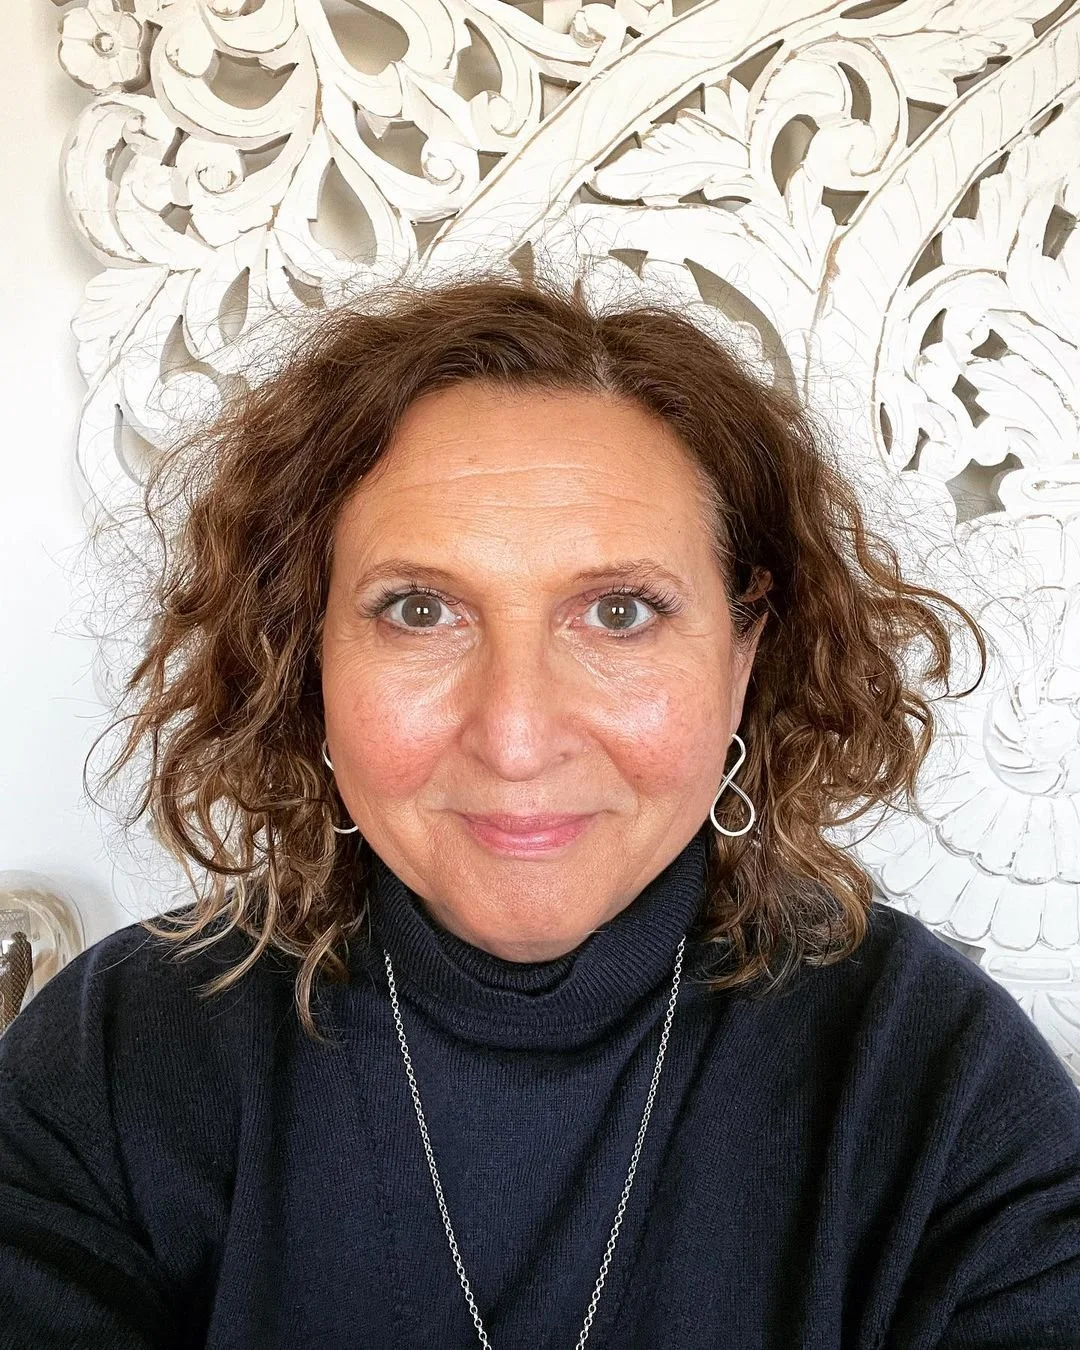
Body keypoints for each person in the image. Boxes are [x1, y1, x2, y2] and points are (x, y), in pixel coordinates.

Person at [1, 272, 1078, 1350]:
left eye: (621, 612)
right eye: (419, 609)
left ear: (744, 653)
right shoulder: (114, 1062)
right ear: (306, 657)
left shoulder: (937, 1085)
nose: (516, 738)